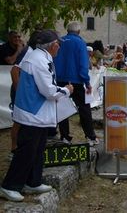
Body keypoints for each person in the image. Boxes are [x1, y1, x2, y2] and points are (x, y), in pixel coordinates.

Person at [0, 30, 74, 202]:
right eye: (58, 44)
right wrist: (66, 90)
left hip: (36, 113)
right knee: (26, 151)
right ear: (53, 45)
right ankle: (9, 185)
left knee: (37, 150)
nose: (59, 47)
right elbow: (48, 91)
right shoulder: (39, 61)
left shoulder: (40, 58)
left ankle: (32, 182)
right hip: (32, 114)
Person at [50, 21, 98, 146]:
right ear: (78, 31)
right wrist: (87, 82)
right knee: (84, 109)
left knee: (62, 109)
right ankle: (90, 137)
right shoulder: (80, 43)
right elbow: (83, 64)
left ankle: (65, 137)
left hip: (60, 80)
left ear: (67, 30)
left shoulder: (59, 41)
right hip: (75, 80)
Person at [8, 31, 40, 160]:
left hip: (24, 92)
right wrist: (19, 90)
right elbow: (14, 70)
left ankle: (21, 148)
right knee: (18, 121)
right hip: (20, 91)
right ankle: (14, 149)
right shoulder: (29, 51)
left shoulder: (32, 51)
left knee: (23, 121)